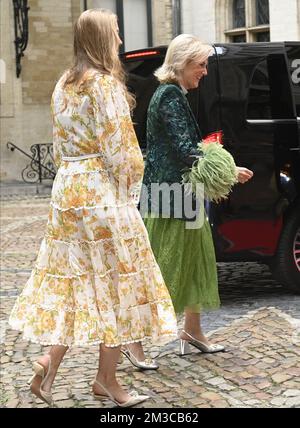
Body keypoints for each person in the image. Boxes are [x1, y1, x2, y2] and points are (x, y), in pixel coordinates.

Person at [8, 9, 177, 407]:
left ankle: (48, 365)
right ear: (103, 39)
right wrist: (131, 193)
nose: (119, 40)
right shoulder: (104, 86)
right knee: (120, 284)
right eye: (115, 34)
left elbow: (57, 147)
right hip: (101, 192)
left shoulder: (62, 85)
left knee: (76, 282)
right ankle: (108, 383)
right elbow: (122, 152)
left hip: (67, 190)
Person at [136, 34, 253, 356]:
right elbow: (186, 150)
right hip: (169, 194)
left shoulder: (172, 93)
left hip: (178, 193)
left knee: (194, 262)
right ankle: (135, 343)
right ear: (183, 64)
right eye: (200, 65)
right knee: (166, 267)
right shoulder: (170, 95)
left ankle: (192, 331)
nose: (204, 71)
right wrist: (229, 172)